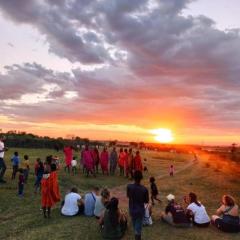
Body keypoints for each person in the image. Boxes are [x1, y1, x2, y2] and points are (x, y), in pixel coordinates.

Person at [127, 170, 149, 240]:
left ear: (133, 177)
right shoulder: (144, 189)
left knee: (135, 226)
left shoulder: (129, 187)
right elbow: (146, 201)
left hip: (132, 209)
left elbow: (128, 196)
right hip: (140, 211)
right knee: (138, 230)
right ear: (141, 178)